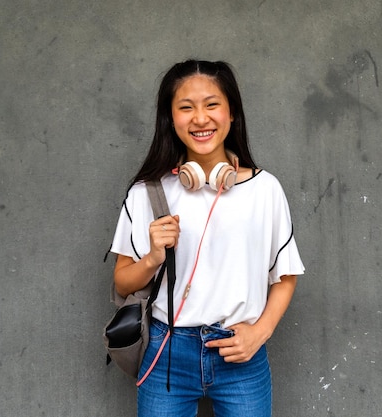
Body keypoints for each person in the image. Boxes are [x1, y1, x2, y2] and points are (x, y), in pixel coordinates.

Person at [109, 59, 305, 417]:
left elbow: (285, 276)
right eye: (186, 108)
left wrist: (260, 333)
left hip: (239, 354)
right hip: (167, 350)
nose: (200, 118)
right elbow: (122, 282)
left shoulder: (264, 189)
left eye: (211, 104)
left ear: (232, 114)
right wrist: (153, 257)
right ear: (171, 119)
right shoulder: (146, 193)